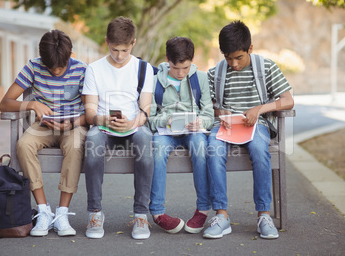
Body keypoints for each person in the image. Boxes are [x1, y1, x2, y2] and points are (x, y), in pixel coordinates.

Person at [204, 20, 294, 239]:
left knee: (259, 150)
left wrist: (260, 109)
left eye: (239, 57)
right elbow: (208, 107)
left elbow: (288, 100)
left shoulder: (266, 67)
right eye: (228, 57)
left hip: (257, 126)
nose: (233, 63)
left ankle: (264, 215)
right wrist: (220, 113)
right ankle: (222, 216)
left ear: (250, 49)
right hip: (225, 127)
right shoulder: (216, 72)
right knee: (212, 150)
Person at [0, 29, 88, 237]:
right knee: (23, 144)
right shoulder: (33, 66)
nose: (56, 71)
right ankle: (44, 211)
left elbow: (91, 112)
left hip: (73, 125)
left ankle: (62, 213)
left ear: (70, 55)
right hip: (43, 127)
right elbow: (4, 104)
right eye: (50, 67)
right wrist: (32, 104)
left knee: (75, 146)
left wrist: (72, 122)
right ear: (42, 59)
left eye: (61, 67)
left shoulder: (82, 70)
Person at [82, 17, 154, 240]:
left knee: (145, 142)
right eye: (114, 49)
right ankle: (95, 213)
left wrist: (132, 123)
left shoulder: (144, 69)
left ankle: (141, 215)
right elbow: (89, 112)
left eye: (124, 50)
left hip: (133, 127)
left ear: (133, 43)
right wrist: (104, 120)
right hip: (104, 128)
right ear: (106, 42)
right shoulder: (94, 69)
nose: (119, 55)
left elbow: (145, 110)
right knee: (92, 142)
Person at [148, 37, 214, 234]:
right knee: (157, 150)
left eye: (185, 68)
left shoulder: (200, 78)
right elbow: (149, 118)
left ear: (192, 61)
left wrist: (200, 122)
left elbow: (209, 114)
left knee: (201, 146)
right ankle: (157, 212)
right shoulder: (154, 82)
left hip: (192, 131)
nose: (180, 73)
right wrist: (165, 121)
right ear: (168, 59)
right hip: (165, 132)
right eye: (176, 68)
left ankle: (202, 209)